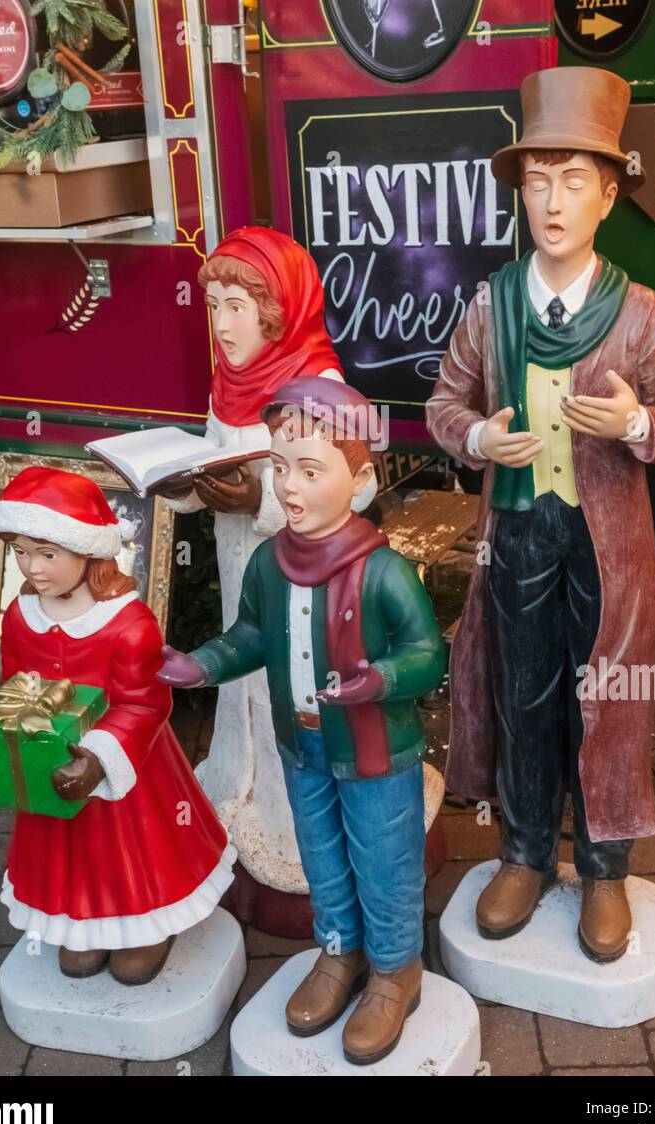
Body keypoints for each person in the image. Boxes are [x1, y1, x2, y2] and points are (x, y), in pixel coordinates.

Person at [426, 66, 655, 962]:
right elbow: (444, 405)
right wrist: (475, 443)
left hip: (607, 545)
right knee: (523, 690)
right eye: (537, 179)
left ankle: (606, 863)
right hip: (517, 535)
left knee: (610, 697)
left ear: (609, 194)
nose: (552, 199)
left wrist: (634, 423)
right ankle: (522, 849)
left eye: (573, 178)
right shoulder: (490, 303)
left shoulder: (640, 316)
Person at [158, 378, 446, 1064]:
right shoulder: (269, 563)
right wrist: (202, 664)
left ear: (361, 482)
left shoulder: (383, 574)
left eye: (311, 470)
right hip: (303, 749)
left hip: (377, 755)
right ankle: (339, 951)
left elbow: (427, 656)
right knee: (321, 856)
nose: (288, 486)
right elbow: (250, 636)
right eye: (280, 467)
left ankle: (395, 968)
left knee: (384, 859)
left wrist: (379, 678)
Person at [163, 226, 374, 901]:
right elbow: (214, 458)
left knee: (289, 685)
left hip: (299, 578)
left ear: (277, 310)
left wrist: (264, 498)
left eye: (237, 307)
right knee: (242, 677)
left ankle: (295, 827)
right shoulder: (229, 380)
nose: (222, 325)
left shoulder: (317, 385)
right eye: (213, 307)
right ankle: (239, 784)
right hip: (238, 570)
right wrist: (184, 487)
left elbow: (360, 486)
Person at [0, 466, 235, 984]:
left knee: (131, 852)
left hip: (126, 768)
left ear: (89, 552)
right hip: (51, 761)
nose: (32, 567)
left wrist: (98, 757)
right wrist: (10, 734)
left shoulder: (127, 624)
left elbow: (146, 704)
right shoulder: (19, 615)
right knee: (65, 854)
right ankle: (84, 926)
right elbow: (15, 684)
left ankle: (144, 926)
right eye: (21, 552)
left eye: (47, 553)